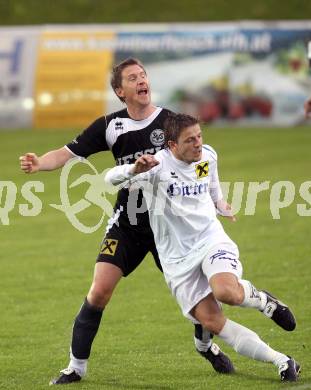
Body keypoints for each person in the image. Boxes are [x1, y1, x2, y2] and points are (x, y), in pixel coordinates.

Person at [19, 58, 234, 385]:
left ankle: (205, 346)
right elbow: (67, 153)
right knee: (99, 290)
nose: (141, 80)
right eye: (133, 78)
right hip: (128, 225)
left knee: (203, 302)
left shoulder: (171, 122)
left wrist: (215, 200)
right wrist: (39, 163)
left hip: (174, 227)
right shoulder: (109, 125)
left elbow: (200, 159)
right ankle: (75, 367)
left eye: (143, 75)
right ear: (121, 91)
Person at [104, 113, 300, 382]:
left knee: (226, 291)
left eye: (199, 136)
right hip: (176, 259)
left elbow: (211, 186)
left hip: (210, 240)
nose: (198, 144)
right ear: (172, 145)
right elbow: (108, 178)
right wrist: (133, 169)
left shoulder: (207, 156)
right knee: (211, 321)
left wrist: (221, 204)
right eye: (190, 140)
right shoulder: (155, 167)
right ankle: (281, 359)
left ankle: (265, 302)